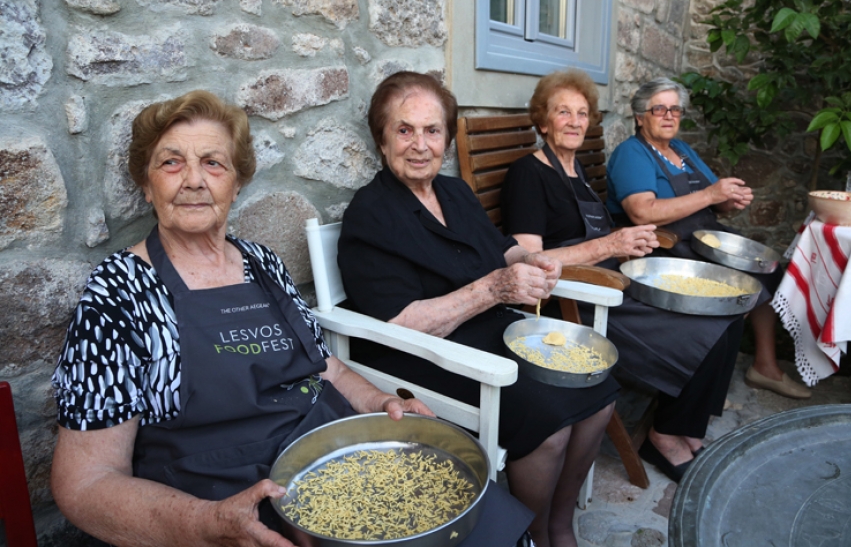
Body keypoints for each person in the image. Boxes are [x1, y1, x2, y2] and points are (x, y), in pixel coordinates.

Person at [50, 90, 525, 547]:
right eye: (171, 162)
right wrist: (204, 523)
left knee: (483, 519)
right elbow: (85, 484)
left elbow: (326, 367)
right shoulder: (119, 291)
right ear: (147, 185)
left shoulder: (262, 263)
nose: (193, 179)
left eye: (213, 163)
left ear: (236, 184)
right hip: (220, 494)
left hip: (329, 459)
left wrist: (379, 402)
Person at [337, 71, 618, 547]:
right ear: (382, 140)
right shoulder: (370, 214)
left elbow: (501, 249)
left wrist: (530, 262)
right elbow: (403, 322)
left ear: (446, 138)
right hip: (421, 352)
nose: (420, 144)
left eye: (432, 131)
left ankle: (558, 524)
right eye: (404, 130)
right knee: (546, 421)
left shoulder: (455, 193)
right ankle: (528, 535)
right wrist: (495, 289)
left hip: (490, 330)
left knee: (600, 389)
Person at [501, 68, 745, 483]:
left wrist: (626, 241)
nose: (576, 121)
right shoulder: (528, 174)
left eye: (582, 113)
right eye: (563, 112)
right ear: (542, 121)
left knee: (724, 314)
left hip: (610, 276)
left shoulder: (576, 171)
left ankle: (684, 424)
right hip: (577, 297)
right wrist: (610, 246)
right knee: (703, 329)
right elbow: (529, 261)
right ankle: (663, 437)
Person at [605, 77, 810, 400]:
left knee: (769, 268)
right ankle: (708, 372)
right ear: (639, 116)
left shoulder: (681, 150)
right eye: (659, 109)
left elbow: (712, 198)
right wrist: (711, 194)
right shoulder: (632, 154)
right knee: (741, 286)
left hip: (703, 238)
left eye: (676, 109)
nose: (670, 115)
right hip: (665, 246)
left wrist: (728, 200)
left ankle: (764, 366)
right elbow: (642, 212)